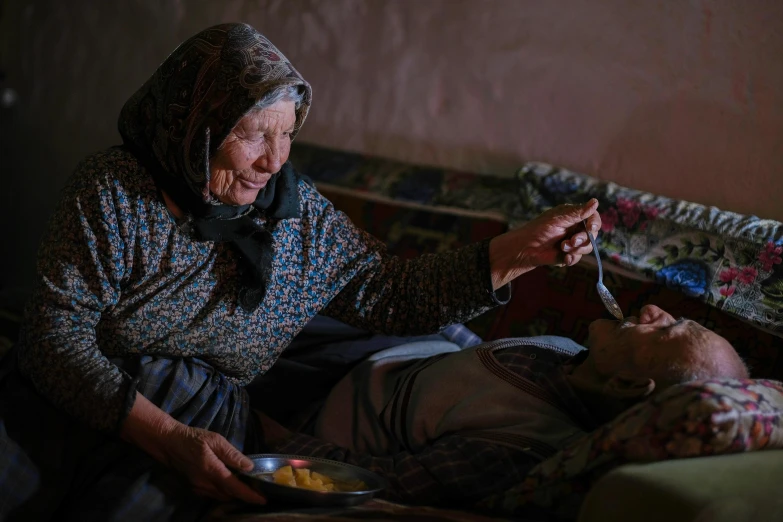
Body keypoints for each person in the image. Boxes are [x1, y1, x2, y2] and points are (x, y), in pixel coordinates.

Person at [0, 23, 601, 521]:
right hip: (82, 394)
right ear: (194, 124)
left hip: (204, 418)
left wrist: (517, 252)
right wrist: (163, 438)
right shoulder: (114, 192)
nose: (273, 160)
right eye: (253, 134)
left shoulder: (295, 216)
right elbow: (53, 338)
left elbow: (394, 295)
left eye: (287, 134)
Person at [256, 304, 749, 509]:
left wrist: (272, 436)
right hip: (386, 350)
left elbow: (381, 479)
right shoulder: (574, 356)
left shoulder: (517, 446)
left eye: (663, 330)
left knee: (205, 365)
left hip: (322, 402)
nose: (650, 311)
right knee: (268, 289)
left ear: (626, 386)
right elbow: (477, 359)